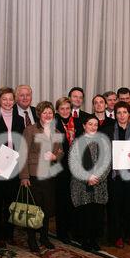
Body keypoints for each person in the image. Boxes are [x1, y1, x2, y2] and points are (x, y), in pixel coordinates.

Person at [19, 101, 64, 252]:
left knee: (47, 208)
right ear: (39, 114)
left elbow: (61, 152)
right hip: (33, 176)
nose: (48, 115)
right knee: (34, 210)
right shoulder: (30, 130)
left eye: (50, 112)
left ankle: (44, 237)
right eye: (44, 112)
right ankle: (32, 239)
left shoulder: (57, 132)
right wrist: (24, 176)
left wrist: (55, 157)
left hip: (50, 176)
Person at [0, 87, 23, 247]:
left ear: (14, 101)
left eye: (10, 99)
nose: (8, 102)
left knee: (11, 201)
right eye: (4, 99)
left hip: (13, 165)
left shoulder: (19, 119)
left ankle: (9, 233)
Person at [70, 115, 110, 251]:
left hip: (99, 184)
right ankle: (85, 240)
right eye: (90, 124)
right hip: (81, 185)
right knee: (85, 214)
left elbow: (107, 163)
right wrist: (87, 178)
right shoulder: (77, 142)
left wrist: (97, 177)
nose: (93, 127)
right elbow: (73, 164)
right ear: (84, 126)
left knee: (96, 214)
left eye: (95, 125)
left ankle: (94, 240)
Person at [106, 101, 130, 248]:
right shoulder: (107, 131)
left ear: (129, 114)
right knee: (115, 207)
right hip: (115, 177)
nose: (122, 115)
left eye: (124, 112)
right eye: (119, 113)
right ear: (115, 115)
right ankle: (117, 236)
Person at [54, 97, 77, 244]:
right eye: (62, 108)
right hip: (60, 168)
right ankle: (62, 232)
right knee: (61, 201)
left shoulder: (77, 122)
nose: (65, 111)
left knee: (73, 200)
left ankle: (72, 230)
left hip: (75, 168)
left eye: (67, 108)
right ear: (57, 110)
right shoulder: (53, 123)